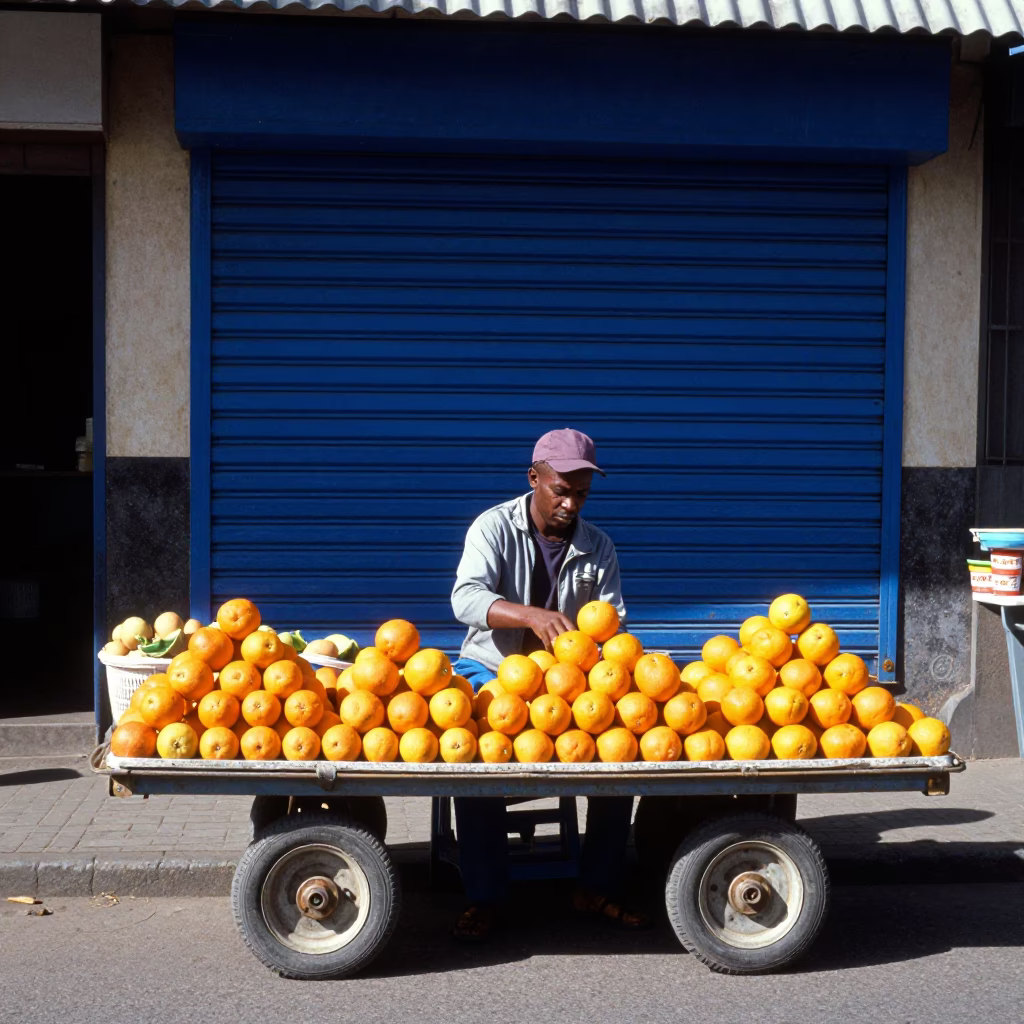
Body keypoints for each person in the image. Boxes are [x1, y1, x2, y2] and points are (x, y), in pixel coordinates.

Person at [448, 427, 645, 940]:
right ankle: (485, 897)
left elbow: (612, 623)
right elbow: (465, 598)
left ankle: (595, 885)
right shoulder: (493, 527)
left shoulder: (598, 547)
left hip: (568, 686)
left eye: (581, 494)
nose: (570, 503)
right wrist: (530, 616)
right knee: (479, 756)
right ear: (534, 478)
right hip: (491, 667)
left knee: (619, 749)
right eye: (561, 490)